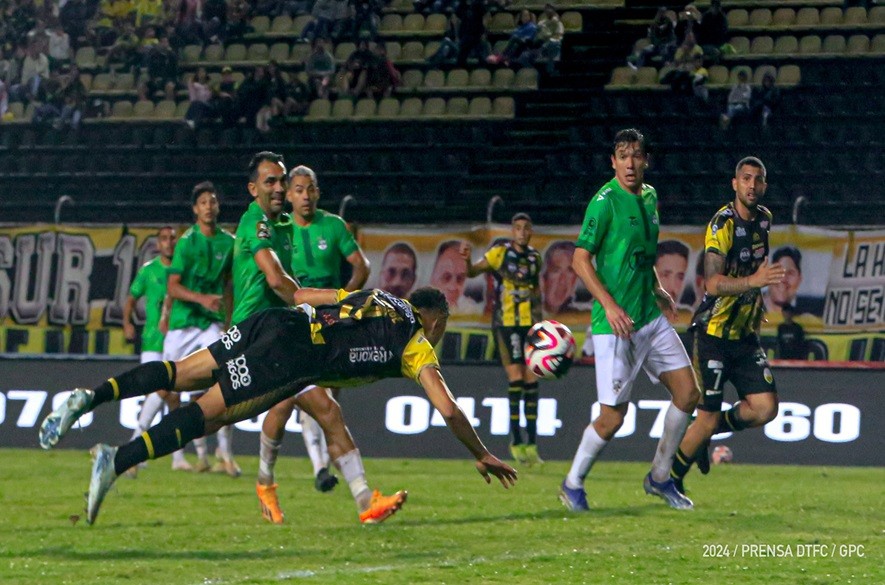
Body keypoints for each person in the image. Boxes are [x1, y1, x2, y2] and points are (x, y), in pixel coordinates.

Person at [39, 287, 518, 525]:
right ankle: (117, 459)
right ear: (436, 320)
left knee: (181, 372)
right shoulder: (416, 342)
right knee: (211, 414)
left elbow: (307, 295)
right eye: (444, 325)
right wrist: (480, 452)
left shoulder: (378, 298)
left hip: (275, 321)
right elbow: (450, 410)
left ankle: (90, 398)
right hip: (289, 357)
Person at [559, 128, 700, 512]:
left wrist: (656, 287)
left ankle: (659, 477)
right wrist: (608, 305)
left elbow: (641, 254)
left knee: (688, 394)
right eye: (623, 155)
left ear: (646, 161)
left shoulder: (650, 196)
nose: (630, 163)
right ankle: (572, 483)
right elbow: (580, 259)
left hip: (648, 317)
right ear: (613, 162)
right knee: (612, 419)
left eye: (636, 155)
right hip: (615, 325)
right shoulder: (603, 202)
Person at [256, 165, 372, 520]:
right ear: (289, 195)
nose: (305, 196)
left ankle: (308, 475)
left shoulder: (333, 226)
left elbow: (361, 266)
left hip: (328, 321)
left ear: (317, 193)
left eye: (311, 189)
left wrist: (344, 299)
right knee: (285, 403)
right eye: (299, 190)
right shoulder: (276, 230)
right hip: (289, 322)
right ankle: (330, 479)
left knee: (321, 401)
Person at [669, 156, 785, 495]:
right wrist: (754, 282)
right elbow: (713, 284)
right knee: (706, 415)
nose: (751, 185)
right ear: (735, 184)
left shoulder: (764, 220)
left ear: (764, 186)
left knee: (766, 408)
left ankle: (702, 432)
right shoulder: (722, 224)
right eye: (745, 178)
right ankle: (668, 481)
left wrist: (756, 301)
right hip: (714, 334)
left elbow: (752, 270)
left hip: (744, 335)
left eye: (758, 180)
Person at [162, 181, 238, 475]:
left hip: (210, 323)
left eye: (213, 201)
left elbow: (229, 284)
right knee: (170, 389)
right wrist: (201, 299)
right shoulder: (186, 242)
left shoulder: (228, 242)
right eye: (203, 202)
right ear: (195, 209)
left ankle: (225, 454)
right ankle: (177, 454)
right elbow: (173, 286)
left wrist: (229, 321)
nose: (209, 206)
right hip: (182, 324)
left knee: (227, 376)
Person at [461, 213, 544, 466]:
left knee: (532, 380)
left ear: (530, 232)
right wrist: (466, 261)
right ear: (512, 231)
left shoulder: (534, 259)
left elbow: (536, 292)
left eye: (526, 228)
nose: (521, 232)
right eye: (517, 228)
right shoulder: (500, 253)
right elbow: (474, 271)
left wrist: (541, 325)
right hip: (505, 324)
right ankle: (516, 441)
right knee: (517, 377)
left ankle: (531, 444)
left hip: (529, 325)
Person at [121, 226, 191, 477]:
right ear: (157, 244)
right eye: (164, 238)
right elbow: (131, 298)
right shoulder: (149, 271)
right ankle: (134, 445)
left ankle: (178, 456)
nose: (169, 242)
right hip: (153, 342)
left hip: (178, 340)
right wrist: (127, 322)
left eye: (173, 238)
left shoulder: (184, 270)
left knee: (173, 398)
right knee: (161, 391)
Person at [431, 240, 482, 314]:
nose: (453, 287)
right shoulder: (416, 311)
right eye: (446, 277)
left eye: (460, 279)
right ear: (432, 278)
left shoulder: (472, 312)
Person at [541, 241, 583, 316]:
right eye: (556, 270)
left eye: (570, 271)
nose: (562, 280)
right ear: (544, 278)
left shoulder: (583, 315)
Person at [765, 246, 806, 315]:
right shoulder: (748, 312)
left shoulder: (805, 321)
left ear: (799, 279)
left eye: (790, 273)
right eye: (779, 271)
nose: (783, 279)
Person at [655, 240, 690, 317]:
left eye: (680, 277)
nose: (672, 285)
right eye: (665, 275)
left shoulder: (687, 317)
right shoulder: (632, 316)